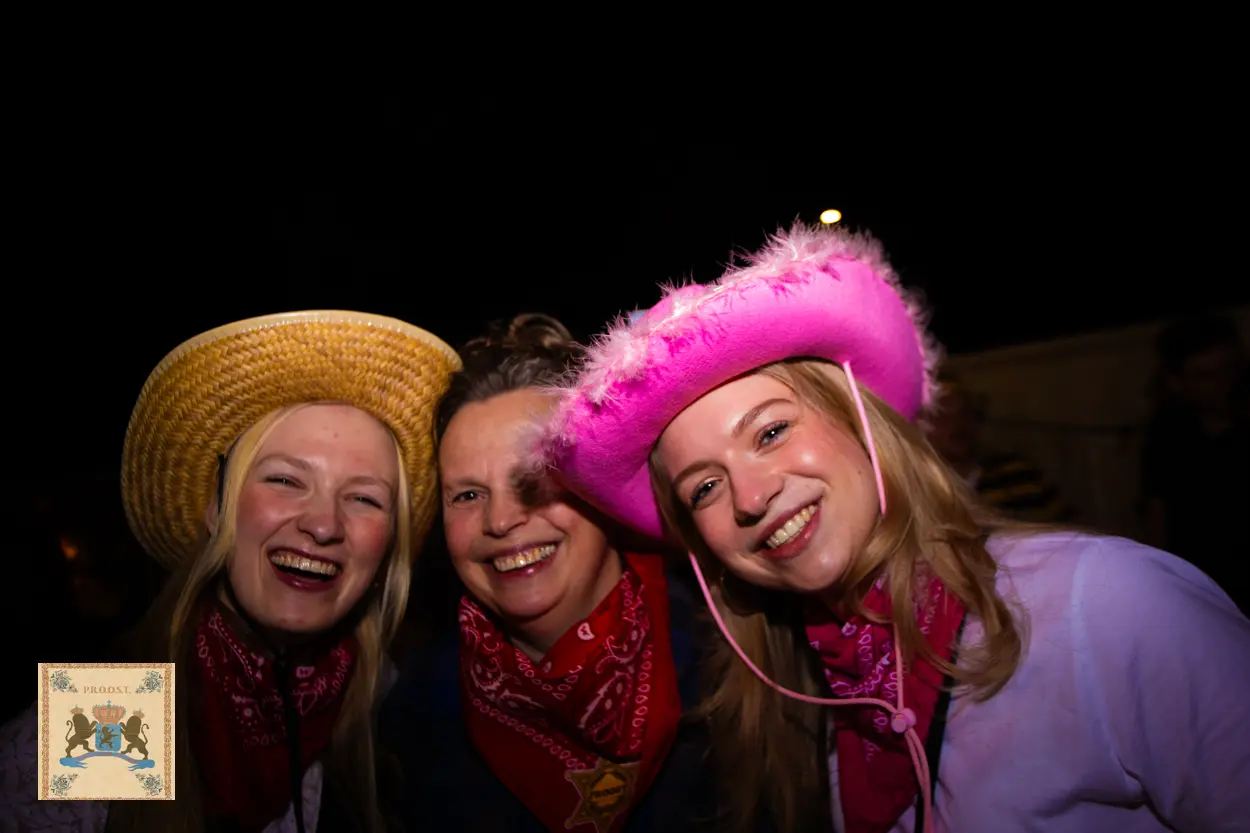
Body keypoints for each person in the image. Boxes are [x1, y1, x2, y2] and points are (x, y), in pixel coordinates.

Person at [541, 224, 1250, 833]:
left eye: (771, 431)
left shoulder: (1110, 603)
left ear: (859, 421)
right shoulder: (811, 692)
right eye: (704, 487)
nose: (751, 497)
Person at [0, 310, 460, 833]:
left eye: (364, 498)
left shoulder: (397, 713)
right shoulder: (106, 715)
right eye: (285, 480)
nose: (323, 524)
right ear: (218, 510)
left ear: (386, 546)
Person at [379, 314, 790, 833]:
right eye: (466, 495)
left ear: (599, 490)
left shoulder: (741, 658)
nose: (500, 520)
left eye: (534, 479)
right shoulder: (411, 716)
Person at [1141, 313, 1248, 611]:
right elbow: (1157, 515)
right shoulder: (1167, 434)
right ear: (1176, 382)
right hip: (1205, 590)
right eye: (1207, 376)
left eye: (1231, 369)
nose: (1225, 384)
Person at [923, 373, 1070, 523]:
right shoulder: (917, 490)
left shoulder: (1020, 475)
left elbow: (1068, 529)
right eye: (940, 415)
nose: (957, 423)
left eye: (965, 413)